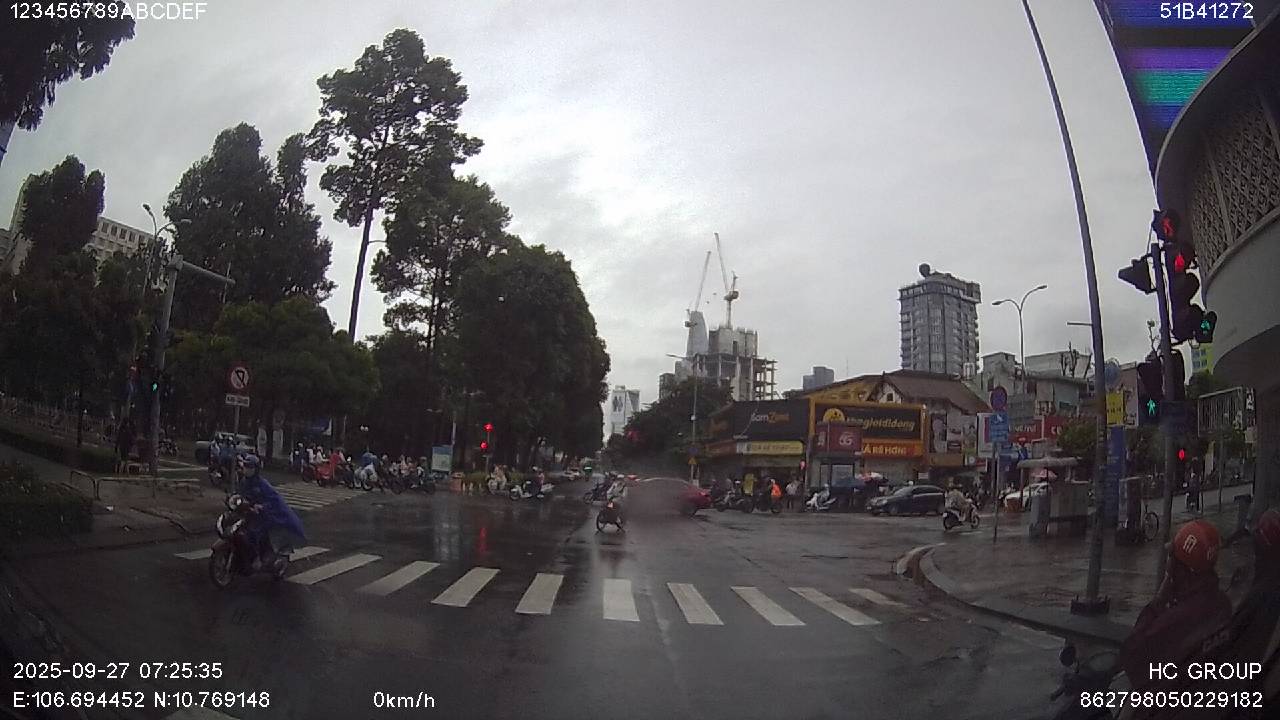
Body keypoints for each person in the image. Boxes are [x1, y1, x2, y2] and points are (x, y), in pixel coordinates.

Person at [1117, 519, 1233, 696]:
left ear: (1179, 567)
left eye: (1172, 557)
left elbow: (1133, 657)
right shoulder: (1222, 604)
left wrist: (1157, 602)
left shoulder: (1178, 618)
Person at [235, 454, 306, 567]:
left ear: (256, 469)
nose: (247, 470)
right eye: (245, 466)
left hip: (263, 515)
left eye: (250, 467)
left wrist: (262, 506)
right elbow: (238, 494)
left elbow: (274, 500)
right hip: (248, 511)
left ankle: (257, 557)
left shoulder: (262, 484)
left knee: (255, 532)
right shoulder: (243, 482)